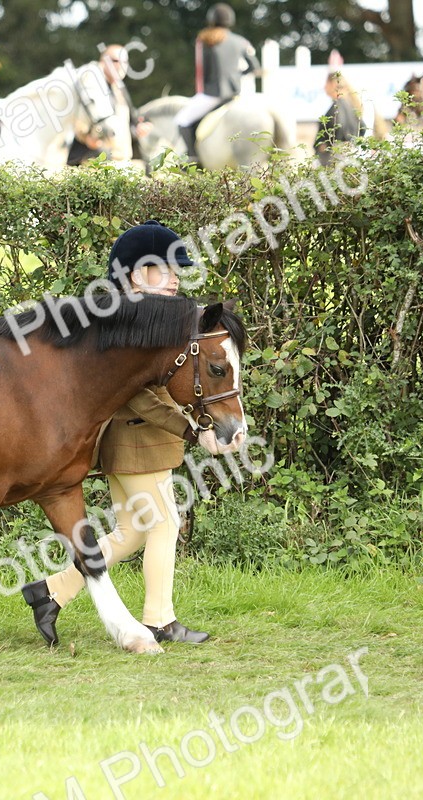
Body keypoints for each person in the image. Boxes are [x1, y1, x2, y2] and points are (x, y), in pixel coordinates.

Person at [20, 221, 225, 648]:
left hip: (145, 443)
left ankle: (51, 591)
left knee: (131, 532)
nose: (174, 279)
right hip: (135, 441)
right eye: (162, 270)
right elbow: (137, 398)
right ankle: (159, 621)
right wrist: (190, 430)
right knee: (165, 523)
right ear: (133, 275)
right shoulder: (126, 321)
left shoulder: (154, 316)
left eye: (176, 270)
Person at [174, 3, 260, 164]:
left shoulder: (206, 40)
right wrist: (236, 75)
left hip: (213, 93)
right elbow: (254, 67)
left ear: (211, 20)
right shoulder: (241, 41)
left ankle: (192, 158)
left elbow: (201, 71)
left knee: (182, 120)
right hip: (235, 93)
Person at [68, 45, 152, 166]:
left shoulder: (120, 90)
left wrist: (139, 128)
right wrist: (86, 138)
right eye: (115, 61)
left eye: (125, 62)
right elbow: (73, 118)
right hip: (90, 162)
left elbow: (127, 125)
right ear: (102, 62)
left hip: (121, 161)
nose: (121, 65)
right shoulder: (89, 86)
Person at [314, 71, 363, 166]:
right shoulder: (351, 106)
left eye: (326, 84)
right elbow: (362, 127)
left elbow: (338, 126)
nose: (324, 87)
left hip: (335, 159)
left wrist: (327, 145)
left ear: (333, 84)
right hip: (350, 157)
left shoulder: (337, 107)